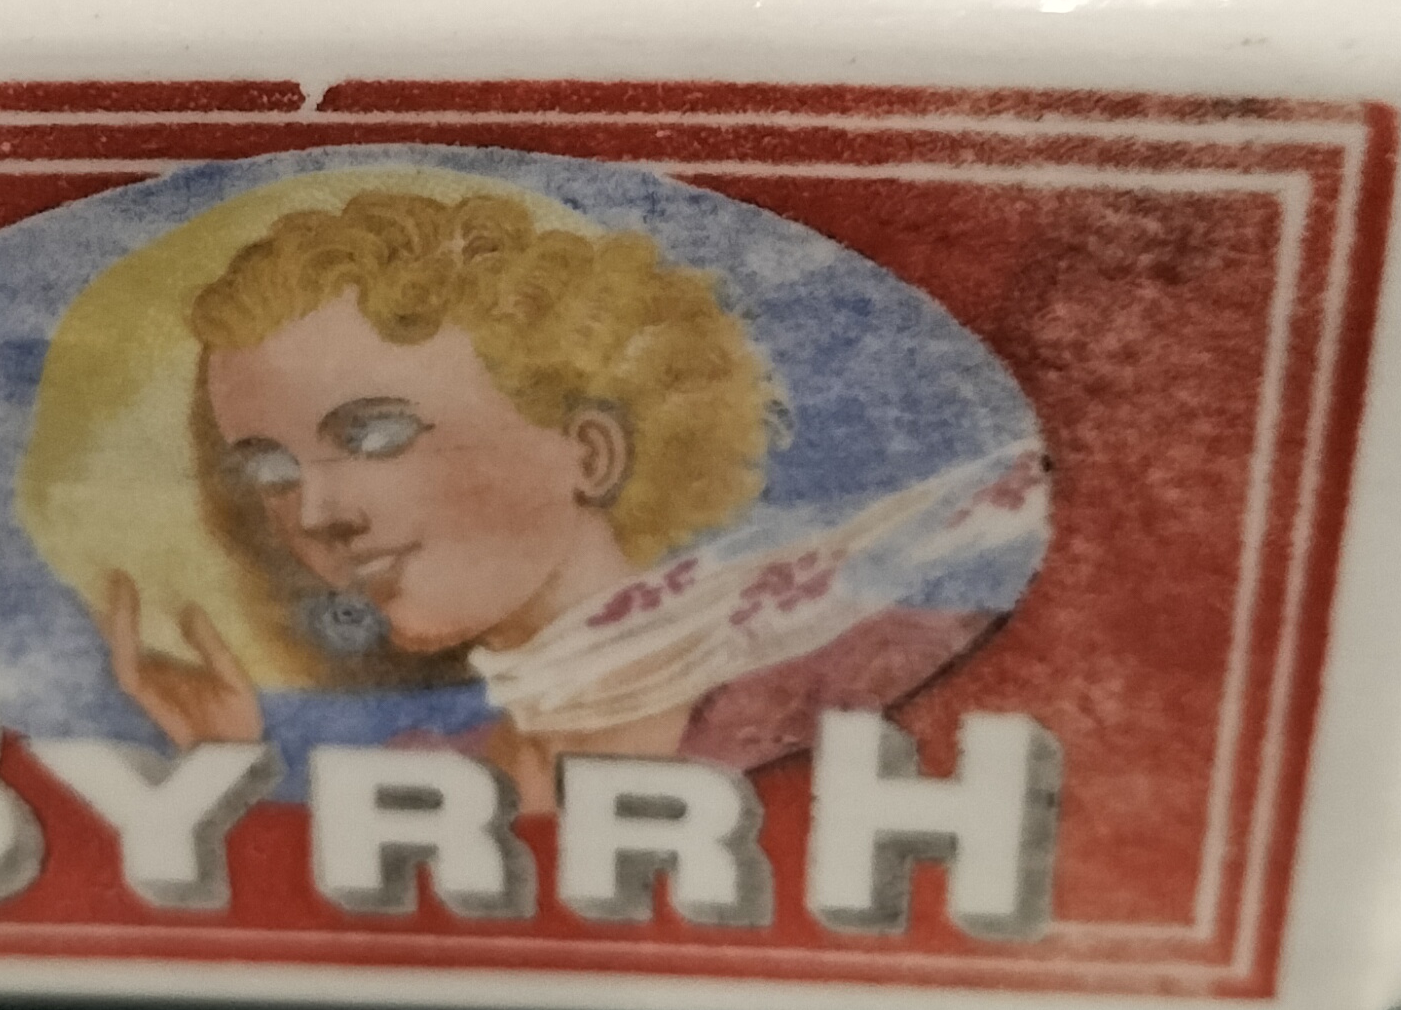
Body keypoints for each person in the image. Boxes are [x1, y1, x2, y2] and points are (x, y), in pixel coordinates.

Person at [95, 183, 1046, 802]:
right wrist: (223, 771)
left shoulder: (862, 672)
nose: (315, 514)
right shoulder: (439, 783)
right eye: (269, 468)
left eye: (376, 434)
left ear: (588, 452)